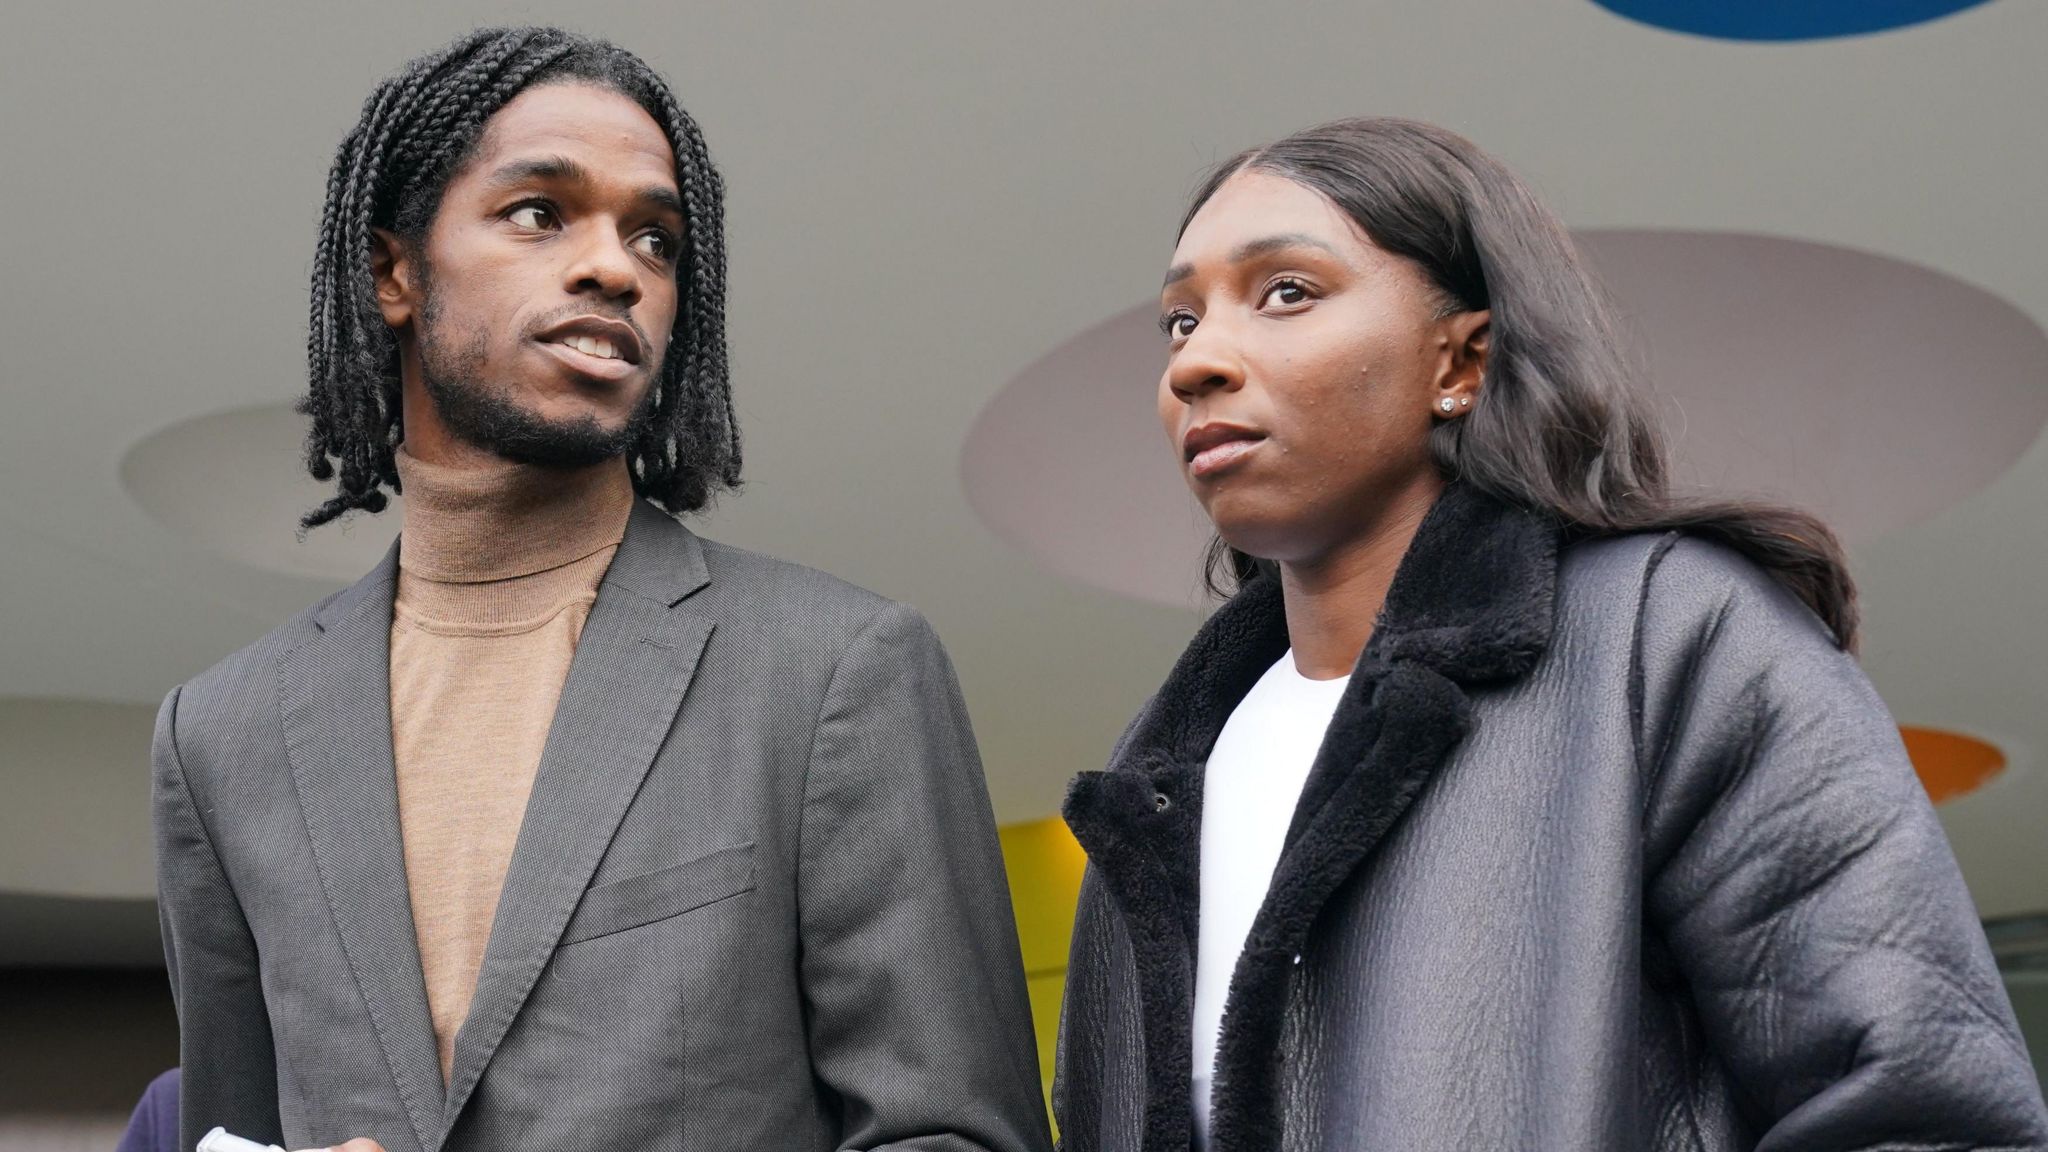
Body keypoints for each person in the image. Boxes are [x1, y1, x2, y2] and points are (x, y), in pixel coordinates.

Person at [1052, 117, 2048, 1150]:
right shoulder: (1161, 773)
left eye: (1286, 292)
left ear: (1461, 359)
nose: (1196, 363)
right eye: (1177, 321)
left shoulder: (1673, 642)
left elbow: (1920, 1115)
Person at [152, 28, 1050, 1152]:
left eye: (656, 239)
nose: (616, 268)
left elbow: (958, 1137)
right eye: (539, 212)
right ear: (394, 274)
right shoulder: (219, 735)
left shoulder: (834, 673)